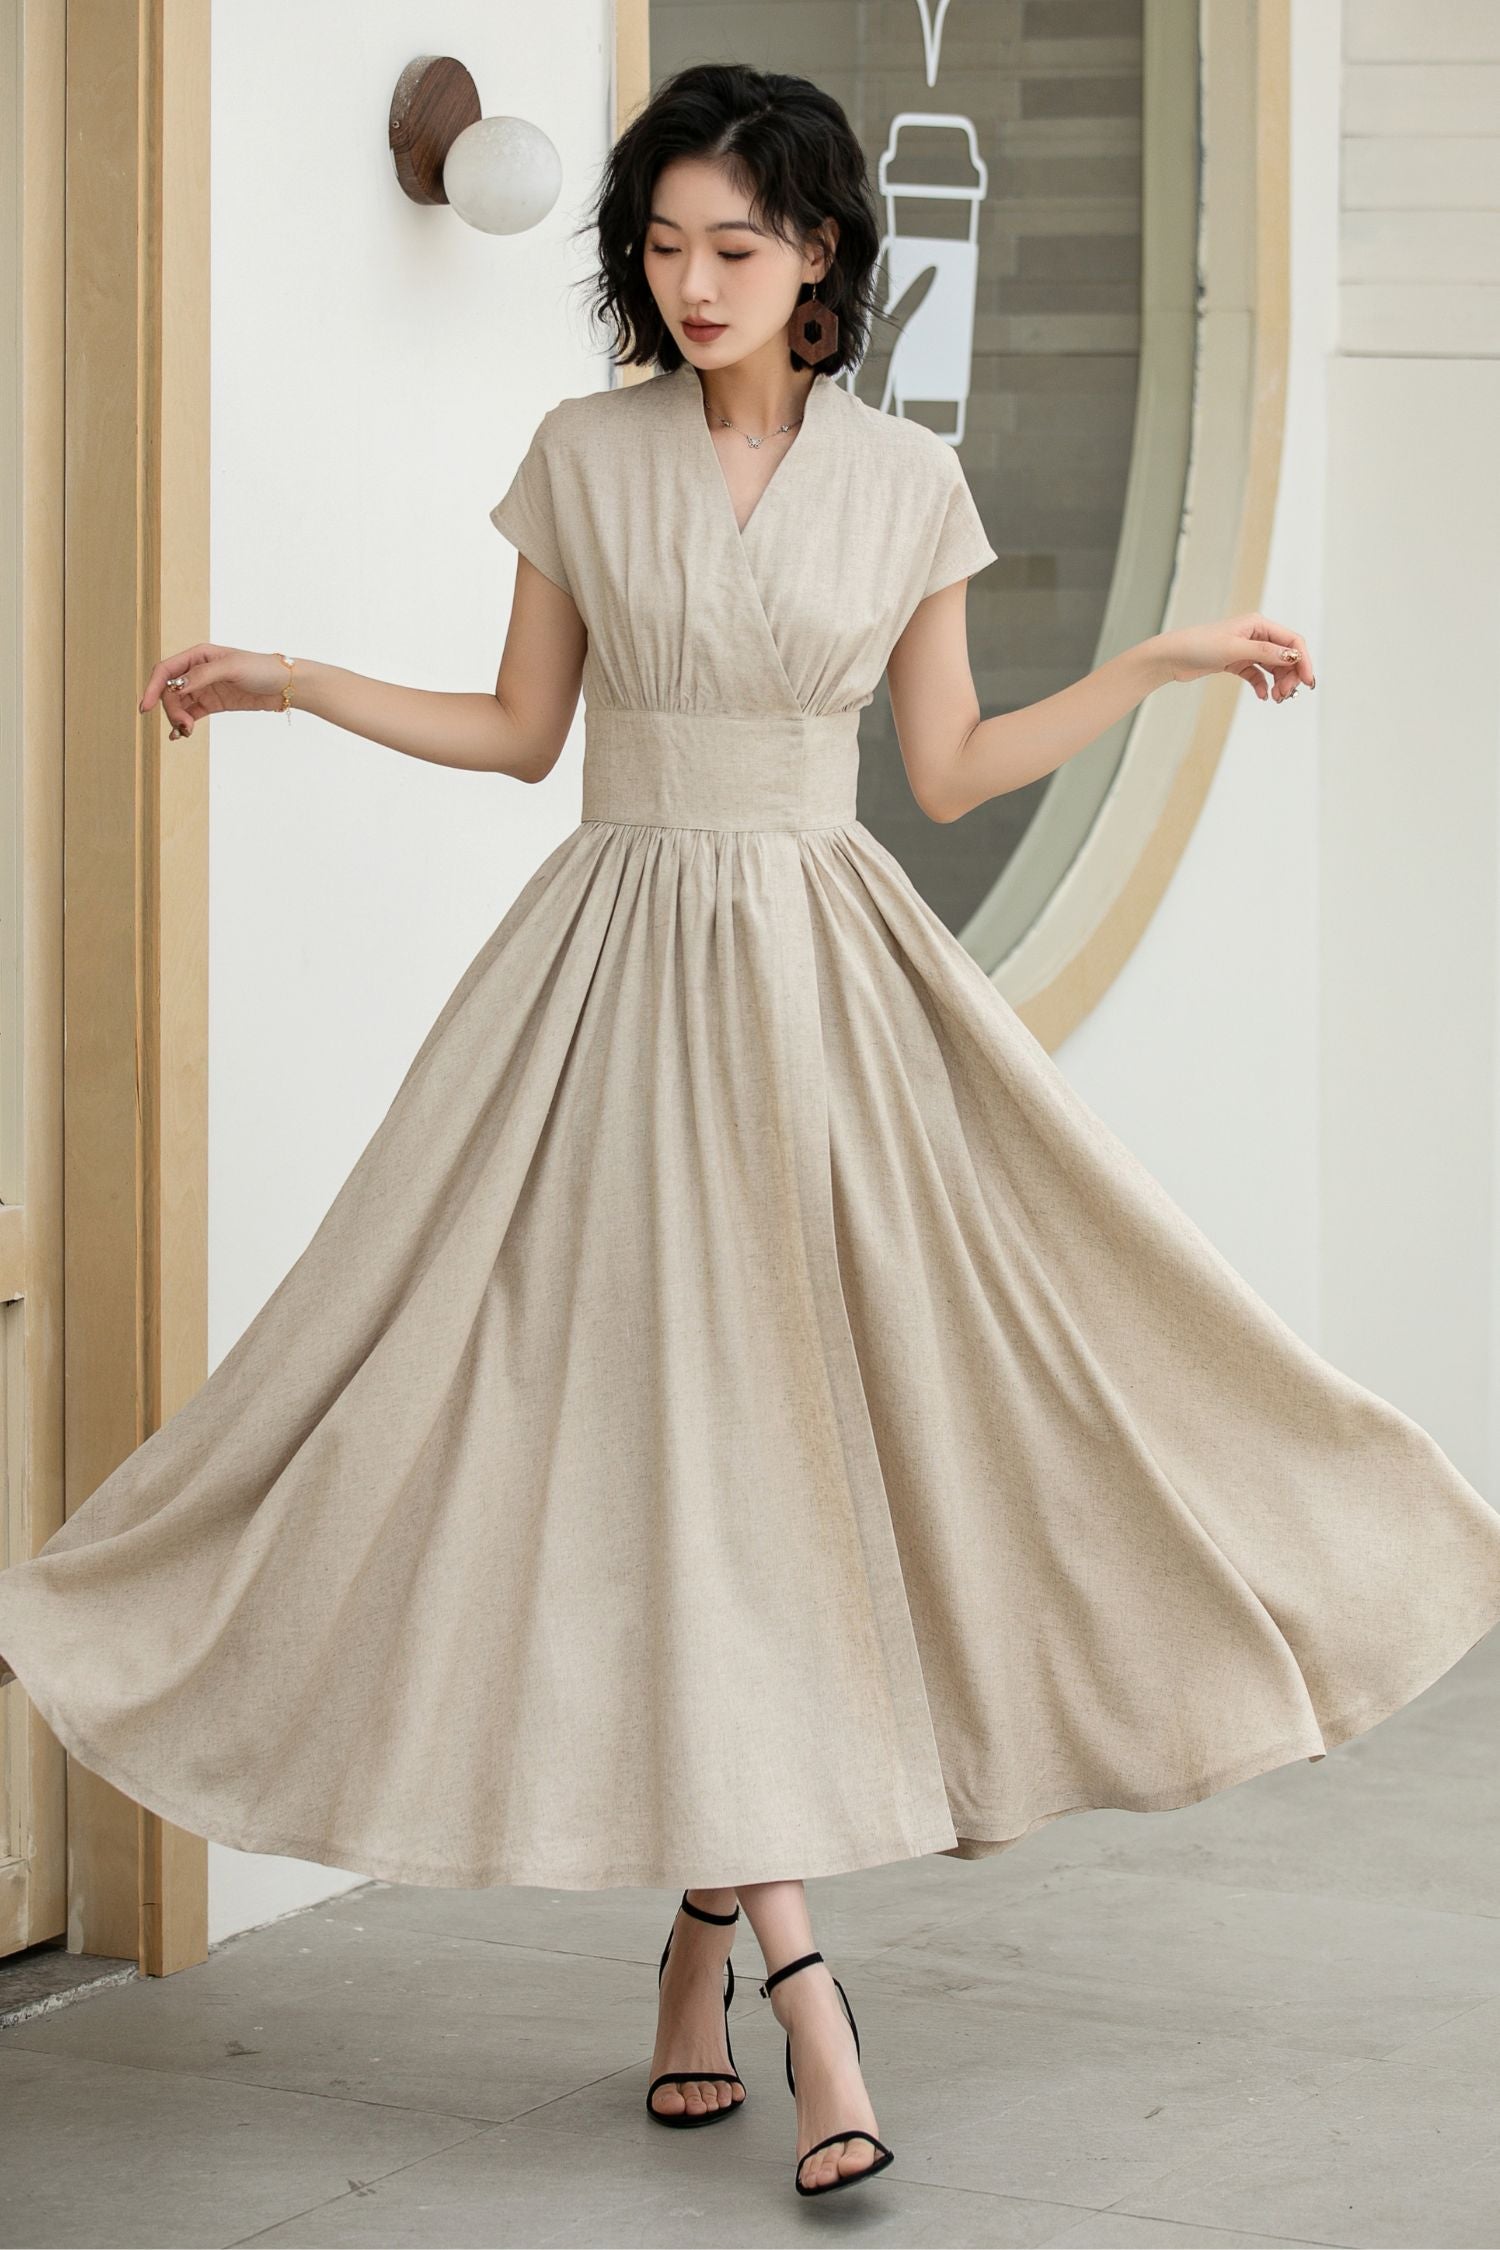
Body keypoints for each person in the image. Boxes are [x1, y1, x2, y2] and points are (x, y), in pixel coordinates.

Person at [4, 60, 1500, 2207]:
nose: (691, 280)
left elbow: (951, 769)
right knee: (652, 1459)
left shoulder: (908, 482)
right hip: (609, 989)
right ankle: (805, 1991)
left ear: (820, 257)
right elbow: (523, 734)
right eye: (662, 242)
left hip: (821, 993)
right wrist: (300, 681)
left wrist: (1163, 658)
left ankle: (717, 1946)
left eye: (735, 242)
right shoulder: (581, 454)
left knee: (798, 1460)